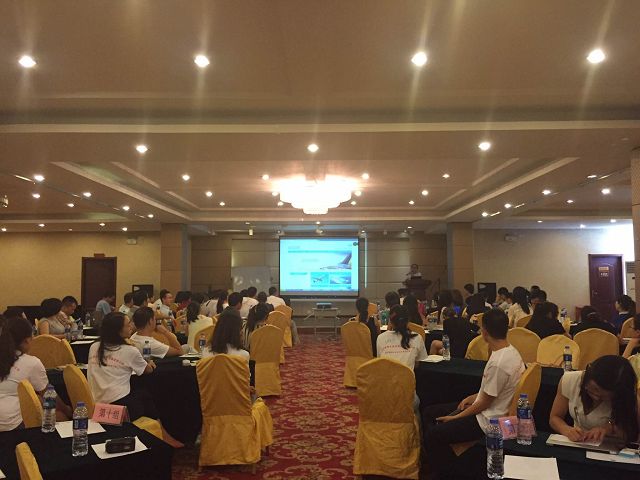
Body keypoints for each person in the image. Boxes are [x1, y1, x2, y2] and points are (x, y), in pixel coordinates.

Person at [422, 308, 525, 477]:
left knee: (433, 435)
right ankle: (443, 463)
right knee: (429, 413)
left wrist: (455, 418)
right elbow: (491, 393)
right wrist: (473, 397)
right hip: (488, 408)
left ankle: (446, 472)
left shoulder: (498, 363)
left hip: (488, 420)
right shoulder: (511, 351)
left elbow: (485, 403)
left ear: (485, 332)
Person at [87, 312, 183, 447]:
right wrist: (149, 363)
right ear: (118, 331)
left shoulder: (94, 346)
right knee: (146, 396)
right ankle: (163, 436)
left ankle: (162, 435)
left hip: (95, 403)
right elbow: (148, 370)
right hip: (119, 409)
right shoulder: (129, 350)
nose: (131, 326)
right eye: (127, 325)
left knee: (139, 393)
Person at [0, 316, 71, 431]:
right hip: (12, 424)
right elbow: (49, 396)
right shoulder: (31, 362)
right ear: (27, 340)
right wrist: (67, 410)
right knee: (61, 417)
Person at [549, 355, 639, 444]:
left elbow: (631, 434)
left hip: (609, 446)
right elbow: (555, 417)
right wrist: (567, 430)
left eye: (604, 396)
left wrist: (609, 429)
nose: (596, 397)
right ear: (589, 376)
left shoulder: (627, 397)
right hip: (578, 443)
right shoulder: (571, 380)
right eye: (595, 389)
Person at [622, 314, 640, 379]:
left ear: (638, 332)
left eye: (630, 327)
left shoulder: (634, 349)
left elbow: (622, 366)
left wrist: (631, 344)